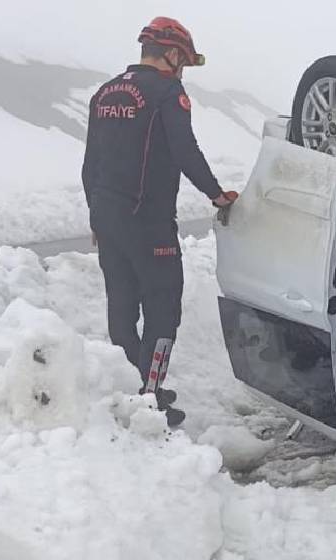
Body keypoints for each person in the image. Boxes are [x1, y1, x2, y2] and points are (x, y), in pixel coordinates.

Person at [82, 17, 237, 426]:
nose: (183, 68)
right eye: (183, 60)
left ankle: (135, 383)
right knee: (164, 307)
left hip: (107, 215)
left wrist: (94, 216)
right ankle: (149, 399)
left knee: (122, 303)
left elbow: (90, 163)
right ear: (171, 53)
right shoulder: (168, 91)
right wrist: (217, 195)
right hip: (149, 221)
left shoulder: (104, 93)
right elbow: (185, 150)